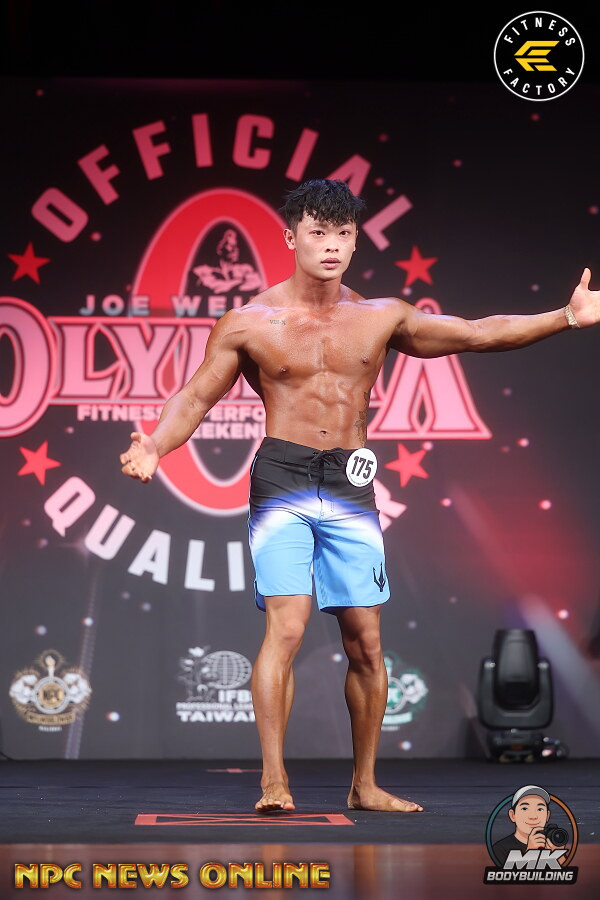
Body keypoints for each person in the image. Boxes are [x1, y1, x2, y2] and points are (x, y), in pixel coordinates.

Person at [120, 179, 598, 814]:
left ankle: (365, 784)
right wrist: (156, 444)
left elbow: (477, 333)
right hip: (283, 477)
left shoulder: (381, 316)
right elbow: (196, 396)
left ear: (354, 242)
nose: (331, 246)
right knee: (287, 628)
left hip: (350, 480)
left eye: (343, 234)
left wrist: (566, 318)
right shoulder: (249, 322)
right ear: (291, 238)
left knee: (366, 643)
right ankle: (273, 782)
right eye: (318, 232)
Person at [492, 785, 569, 866]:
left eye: (540, 809)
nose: (533, 816)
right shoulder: (500, 849)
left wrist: (558, 854)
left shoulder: (551, 843)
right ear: (512, 815)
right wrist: (530, 852)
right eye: (525, 808)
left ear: (547, 816)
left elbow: (566, 871)